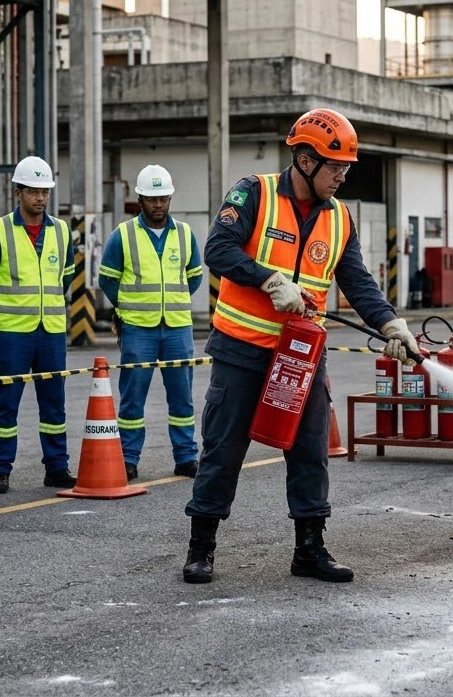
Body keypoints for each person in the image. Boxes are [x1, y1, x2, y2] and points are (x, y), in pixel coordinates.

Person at [182, 108, 419, 584]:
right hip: (242, 349)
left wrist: (390, 323)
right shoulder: (254, 192)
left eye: (346, 169)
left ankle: (310, 550)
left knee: (311, 450)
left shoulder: (339, 218)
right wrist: (270, 280)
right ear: (306, 161)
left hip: (301, 355)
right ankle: (201, 547)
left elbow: (356, 280)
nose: (342, 177)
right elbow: (218, 250)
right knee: (223, 450)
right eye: (336, 168)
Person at [0, 156, 77, 494]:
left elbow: (66, 276)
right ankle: (0, 469)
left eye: (45, 192)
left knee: (54, 402)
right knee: (6, 402)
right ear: (18, 192)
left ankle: (57, 467)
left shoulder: (61, 232)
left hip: (51, 332)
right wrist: (6, 308)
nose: (41, 198)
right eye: (34, 192)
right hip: (14, 332)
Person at [98, 164, 204, 482]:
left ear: (170, 198)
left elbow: (194, 278)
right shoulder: (123, 235)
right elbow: (108, 281)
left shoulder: (184, 234)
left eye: (163, 198)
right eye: (152, 198)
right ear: (140, 199)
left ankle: (186, 458)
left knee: (182, 397)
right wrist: (131, 309)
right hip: (137, 329)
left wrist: (169, 302)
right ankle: (128, 459)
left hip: (177, 328)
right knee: (133, 398)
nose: (158, 204)